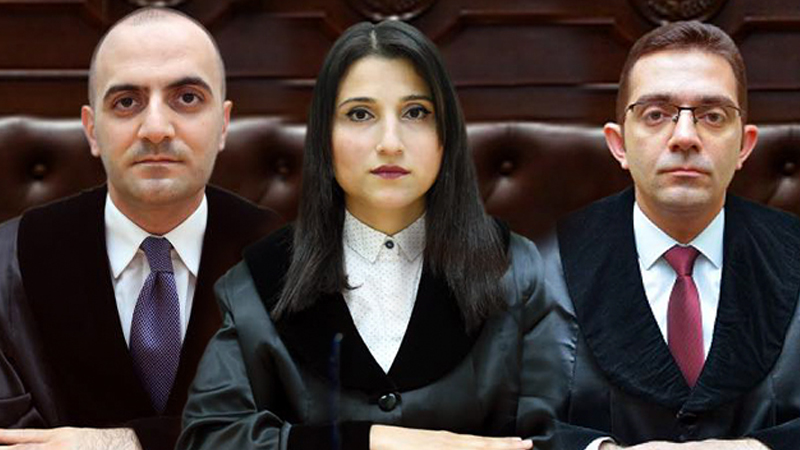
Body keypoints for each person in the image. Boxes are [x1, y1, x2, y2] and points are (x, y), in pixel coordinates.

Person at [178, 19, 550, 450]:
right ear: (324, 138)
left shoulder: (517, 271)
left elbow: (564, 428)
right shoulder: (257, 285)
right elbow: (210, 438)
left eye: (416, 112)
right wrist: (375, 441)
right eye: (360, 114)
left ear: (446, 135)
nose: (390, 142)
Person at [0, 7, 282, 450]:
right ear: (92, 131)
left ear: (223, 125)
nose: (155, 129)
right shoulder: (8, 266)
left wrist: (127, 442)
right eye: (127, 102)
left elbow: (317, 430)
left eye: (186, 98)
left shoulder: (295, 263)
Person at [519, 20, 800, 450]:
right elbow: (500, 417)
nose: (685, 137)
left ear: (744, 146)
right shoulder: (536, 273)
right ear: (619, 144)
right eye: (656, 114)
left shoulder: (793, 254)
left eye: (712, 116)